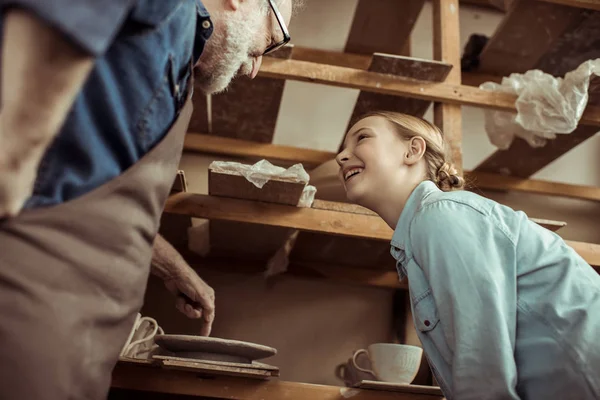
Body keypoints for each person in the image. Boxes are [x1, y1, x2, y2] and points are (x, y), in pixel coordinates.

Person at [0, 0, 297, 398]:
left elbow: (83, 181)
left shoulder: (176, 61)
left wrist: (161, 261)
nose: (255, 66)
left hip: (79, 337)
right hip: (29, 306)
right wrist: (12, 160)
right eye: (271, 40)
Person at [335, 111, 600, 400]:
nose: (341, 157)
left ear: (412, 151)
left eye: (361, 137)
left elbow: (481, 354)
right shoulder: (425, 227)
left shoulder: (439, 214)